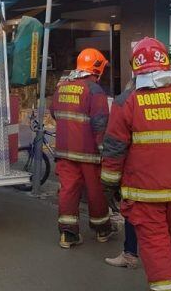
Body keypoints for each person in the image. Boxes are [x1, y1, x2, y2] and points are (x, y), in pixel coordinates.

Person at [101, 37, 171, 291]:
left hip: (144, 194)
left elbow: (113, 151)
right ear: (166, 63)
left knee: (156, 245)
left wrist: (109, 187)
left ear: (135, 67)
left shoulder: (126, 102)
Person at [49, 48, 113, 248]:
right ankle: (102, 229)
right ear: (97, 68)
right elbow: (100, 123)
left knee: (68, 190)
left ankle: (68, 234)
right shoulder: (94, 89)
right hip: (89, 153)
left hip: (64, 151)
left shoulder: (63, 86)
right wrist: (105, 151)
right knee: (96, 191)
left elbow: (54, 112)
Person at [105, 78, 140, 269]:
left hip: (137, 175)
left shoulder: (125, 101)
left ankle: (130, 254)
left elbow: (116, 146)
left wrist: (110, 184)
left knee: (132, 214)